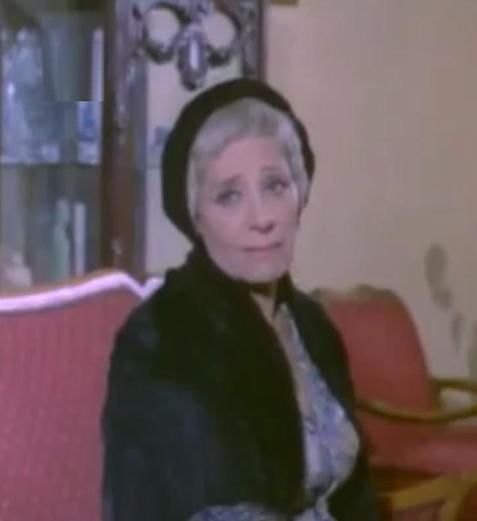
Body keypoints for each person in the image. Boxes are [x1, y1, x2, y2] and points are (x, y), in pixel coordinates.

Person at [101, 78, 378, 521]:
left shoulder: (313, 326)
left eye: (275, 186)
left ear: (300, 194)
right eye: (229, 196)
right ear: (196, 216)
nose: (261, 218)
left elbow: (355, 497)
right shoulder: (162, 339)